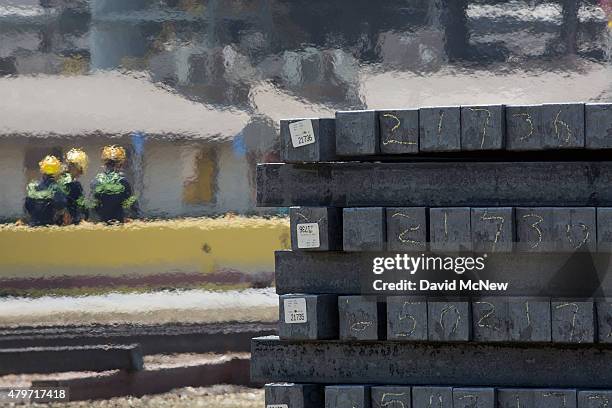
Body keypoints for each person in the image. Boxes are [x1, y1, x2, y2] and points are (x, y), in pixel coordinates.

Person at [91, 145, 138, 223]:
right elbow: (132, 206)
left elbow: (93, 205)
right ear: (120, 164)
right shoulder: (123, 181)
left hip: (102, 224)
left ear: (105, 164)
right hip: (118, 224)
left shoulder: (96, 181)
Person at [24, 155, 68, 226]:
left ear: (42, 171)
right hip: (49, 227)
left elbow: (27, 207)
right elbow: (61, 205)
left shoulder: (33, 186)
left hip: (33, 225)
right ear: (56, 172)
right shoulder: (56, 188)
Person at [58, 148, 89, 224]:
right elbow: (83, 208)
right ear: (77, 167)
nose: (80, 173)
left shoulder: (57, 180)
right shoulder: (74, 185)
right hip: (69, 224)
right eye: (80, 169)